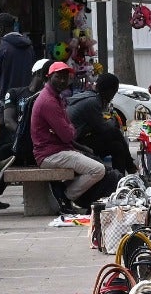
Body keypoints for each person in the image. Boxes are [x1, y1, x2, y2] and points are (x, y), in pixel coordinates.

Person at [30, 61, 108, 205]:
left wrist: (68, 130)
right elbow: (68, 135)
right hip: (49, 154)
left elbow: (68, 129)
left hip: (58, 150)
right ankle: (65, 197)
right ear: (49, 76)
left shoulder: (55, 96)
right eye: (58, 77)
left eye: (65, 77)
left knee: (95, 160)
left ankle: (63, 189)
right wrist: (68, 130)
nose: (62, 81)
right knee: (98, 170)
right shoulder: (48, 101)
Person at [67, 72, 137, 174]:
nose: (113, 96)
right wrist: (113, 121)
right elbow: (102, 128)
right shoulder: (92, 102)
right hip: (76, 143)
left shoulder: (91, 96)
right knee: (115, 133)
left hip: (81, 138)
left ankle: (121, 178)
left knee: (117, 146)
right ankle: (130, 167)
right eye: (114, 91)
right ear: (109, 91)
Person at [0, 12, 35, 108]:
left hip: (6, 100)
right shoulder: (29, 47)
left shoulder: (0, 47)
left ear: (1, 28)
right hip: (26, 98)